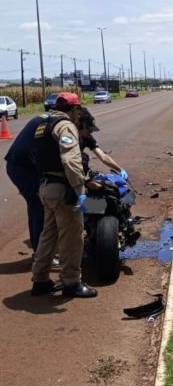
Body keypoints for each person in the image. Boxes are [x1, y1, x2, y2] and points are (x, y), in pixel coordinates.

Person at [31, 92, 97, 298]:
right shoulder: (65, 125)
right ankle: (71, 283)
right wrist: (80, 191)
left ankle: (40, 280)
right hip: (62, 189)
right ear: (75, 109)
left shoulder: (43, 125)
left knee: (49, 235)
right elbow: (71, 161)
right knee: (72, 237)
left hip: (45, 186)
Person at [4, 112, 47, 253]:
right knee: (39, 207)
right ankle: (41, 253)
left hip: (17, 165)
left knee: (35, 206)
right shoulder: (61, 125)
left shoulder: (45, 118)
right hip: (25, 169)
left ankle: (39, 249)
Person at [77, 107, 128, 179]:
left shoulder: (86, 136)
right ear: (81, 125)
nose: (91, 132)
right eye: (89, 129)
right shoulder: (67, 134)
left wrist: (120, 169)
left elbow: (103, 156)